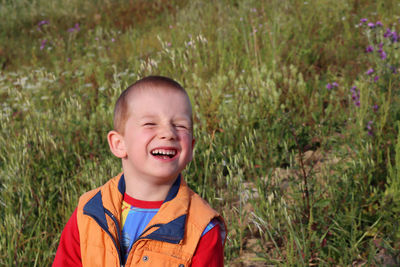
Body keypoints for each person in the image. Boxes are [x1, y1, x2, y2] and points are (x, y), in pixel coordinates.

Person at [53, 76, 226, 266]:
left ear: (191, 148)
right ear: (119, 144)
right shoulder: (89, 212)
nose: (168, 133)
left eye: (180, 125)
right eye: (150, 124)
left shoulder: (201, 228)